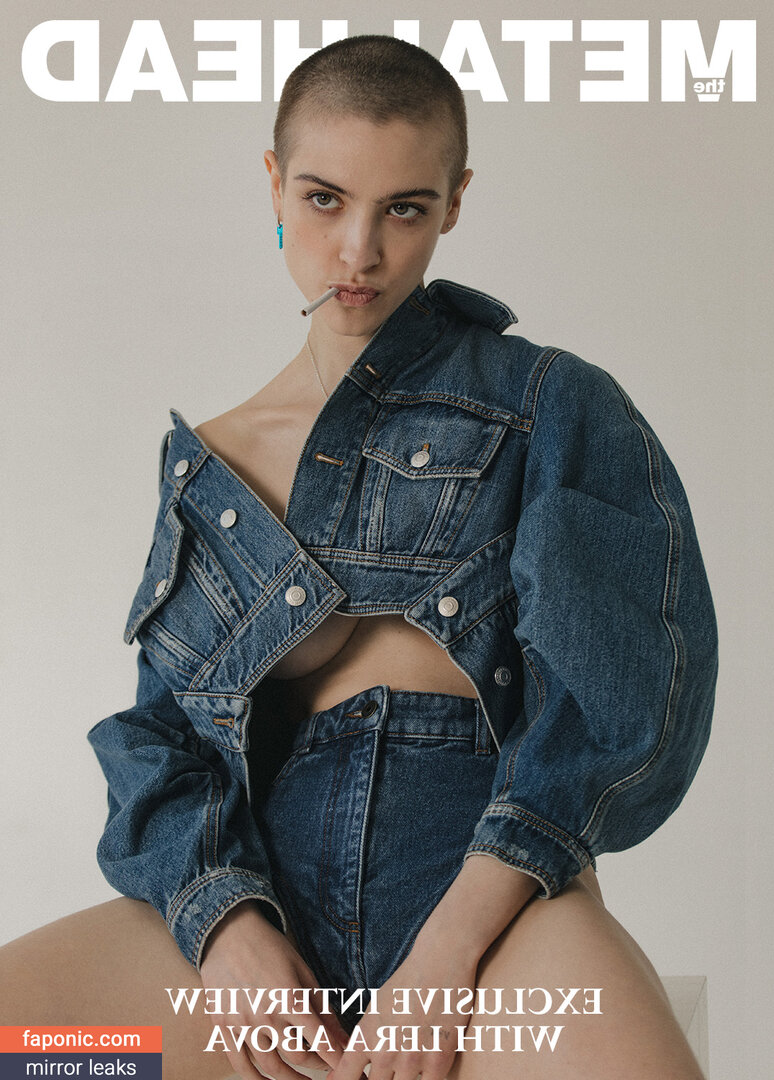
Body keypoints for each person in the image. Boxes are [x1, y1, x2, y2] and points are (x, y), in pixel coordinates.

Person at [0, 35, 717, 1080]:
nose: (360, 252)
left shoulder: (550, 404)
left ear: (454, 202)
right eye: (325, 199)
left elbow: (625, 703)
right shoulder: (208, 470)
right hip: (268, 930)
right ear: (274, 184)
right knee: (29, 1053)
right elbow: (166, 738)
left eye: (405, 208)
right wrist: (226, 929)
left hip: (496, 925)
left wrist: (445, 961)